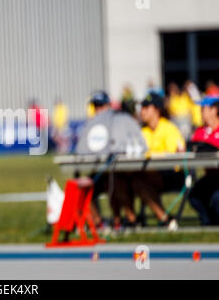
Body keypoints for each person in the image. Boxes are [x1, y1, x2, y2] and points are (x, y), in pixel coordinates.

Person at [75, 90, 147, 230]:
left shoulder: (120, 121)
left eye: (101, 106)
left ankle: (125, 220)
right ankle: (98, 223)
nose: (98, 110)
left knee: (116, 180)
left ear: (109, 105)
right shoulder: (91, 125)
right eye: (96, 106)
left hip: (122, 172)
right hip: (102, 173)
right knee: (83, 184)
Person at [132, 91, 185, 228]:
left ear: (157, 110)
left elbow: (173, 158)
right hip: (149, 173)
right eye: (141, 107)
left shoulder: (169, 129)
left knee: (138, 181)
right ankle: (130, 221)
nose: (142, 111)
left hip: (172, 174)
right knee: (125, 180)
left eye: (146, 107)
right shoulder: (143, 132)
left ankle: (163, 219)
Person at [188, 95, 219, 225]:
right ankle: (209, 222)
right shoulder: (200, 131)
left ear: (214, 110)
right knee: (194, 197)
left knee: (217, 198)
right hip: (210, 176)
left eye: (203, 109)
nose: (200, 112)